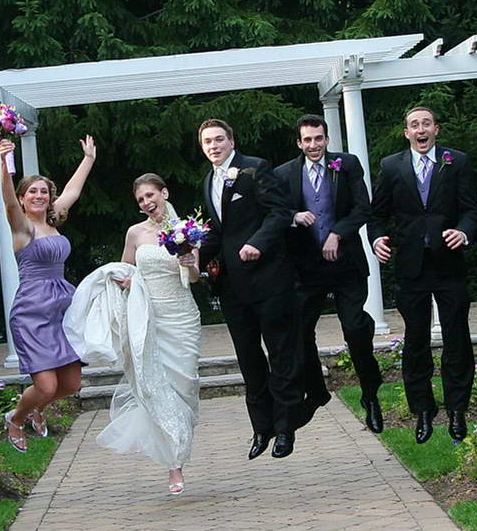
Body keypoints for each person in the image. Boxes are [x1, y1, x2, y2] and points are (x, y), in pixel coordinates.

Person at [64, 173, 202, 494]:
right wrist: (128, 282)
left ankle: (181, 444)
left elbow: (194, 276)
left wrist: (189, 260)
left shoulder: (187, 229)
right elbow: (125, 270)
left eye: (151, 195)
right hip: (147, 317)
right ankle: (174, 465)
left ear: (164, 193)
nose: (147, 202)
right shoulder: (135, 233)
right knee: (156, 386)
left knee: (184, 385)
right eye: (141, 200)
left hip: (180, 315)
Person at [194, 118, 308, 459]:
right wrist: (194, 255)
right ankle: (262, 427)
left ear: (232, 140)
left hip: (269, 279)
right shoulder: (207, 182)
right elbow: (219, 232)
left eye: (218, 140)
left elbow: (279, 213)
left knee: (280, 352)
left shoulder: (255, 169)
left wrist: (258, 243)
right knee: (248, 357)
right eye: (207, 142)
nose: (213, 146)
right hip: (232, 286)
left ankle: (286, 428)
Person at [368, 105, 477, 443]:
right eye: (414, 125)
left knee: (457, 337)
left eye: (426, 124)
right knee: (415, 340)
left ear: (436, 129)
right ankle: (423, 412)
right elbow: (377, 214)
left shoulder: (456, 162)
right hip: (411, 266)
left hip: (449, 265)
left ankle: (457, 410)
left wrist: (463, 232)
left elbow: (472, 210)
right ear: (407, 133)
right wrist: (377, 239)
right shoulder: (392, 167)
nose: (421, 129)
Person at [273, 115, 385, 432]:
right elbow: (276, 213)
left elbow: (363, 208)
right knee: (300, 332)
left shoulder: (346, 165)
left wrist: (337, 232)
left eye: (318, 138)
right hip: (307, 269)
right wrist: (295, 216)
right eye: (307, 140)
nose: (313, 145)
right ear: (299, 142)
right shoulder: (285, 174)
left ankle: (370, 393)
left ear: (326, 139)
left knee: (354, 328)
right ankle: (318, 391)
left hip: (346, 264)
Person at [0, 135, 97, 450]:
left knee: (71, 384)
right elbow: (7, 200)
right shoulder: (22, 228)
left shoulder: (53, 219)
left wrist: (88, 158)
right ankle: (16, 418)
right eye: (32, 192)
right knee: (46, 383)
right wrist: (3, 164)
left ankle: (38, 407)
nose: (39, 196)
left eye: (44, 191)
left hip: (63, 309)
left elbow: (73, 191)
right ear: (24, 199)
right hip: (32, 312)